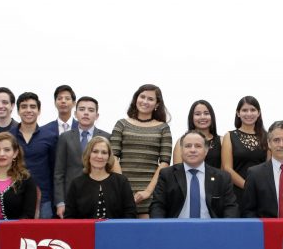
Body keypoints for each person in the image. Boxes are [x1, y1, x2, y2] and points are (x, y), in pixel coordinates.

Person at [110, 84, 172, 218]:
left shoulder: (163, 128)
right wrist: (124, 189)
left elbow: (165, 162)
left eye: (150, 99)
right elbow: (113, 157)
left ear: (157, 104)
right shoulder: (121, 124)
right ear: (136, 99)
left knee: (148, 236)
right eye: (142, 97)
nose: (145, 101)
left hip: (151, 193)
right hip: (122, 191)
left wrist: (148, 192)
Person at [151, 130, 239, 218]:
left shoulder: (222, 177)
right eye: (188, 146)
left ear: (206, 151)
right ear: (181, 150)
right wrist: (160, 228)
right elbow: (158, 206)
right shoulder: (167, 175)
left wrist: (226, 229)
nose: (193, 150)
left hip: (211, 229)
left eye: (198, 146)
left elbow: (230, 207)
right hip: (176, 229)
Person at [53, 96, 112, 218]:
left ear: (97, 116)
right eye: (82, 109)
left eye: (91, 110)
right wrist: (60, 202)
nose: (86, 113)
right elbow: (59, 172)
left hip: (98, 194)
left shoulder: (107, 137)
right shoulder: (65, 137)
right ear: (75, 113)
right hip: (71, 196)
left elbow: (111, 167)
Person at [64, 136, 137, 219]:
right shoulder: (76, 184)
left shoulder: (121, 182)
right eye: (95, 151)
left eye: (104, 152)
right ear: (88, 155)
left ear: (109, 157)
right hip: (85, 231)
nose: (99, 156)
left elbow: (130, 213)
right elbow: (69, 217)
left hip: (117, 231)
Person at [12, 92, 58, 218]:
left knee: (46, 236)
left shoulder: (50, 136)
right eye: (24, 106)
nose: (28, 110)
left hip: (44, 200)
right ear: (18, 110)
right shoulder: (9, 137)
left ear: (39, 111)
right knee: (15, 236)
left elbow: (55, 170)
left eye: (32, 107)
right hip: (15, 197)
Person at [221, 96, 268, 210]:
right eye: (244, 110)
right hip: (236, 194)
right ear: (238, 113)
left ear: (258, 113)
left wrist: (258, 188)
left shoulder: (267, 137)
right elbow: (227, 168)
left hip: (262, 192)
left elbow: (269, 166)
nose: (249, 114)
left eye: (252, 110)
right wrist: (247, 186)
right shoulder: (229, 136)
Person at [172, 100, 221, 168]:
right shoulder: (181, 141)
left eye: (206, 113)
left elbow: (226, 169)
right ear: (191, 118)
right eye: (197, 114)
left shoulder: (222, 141)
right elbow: (176, 171)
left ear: (212, 116)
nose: (202, 117)